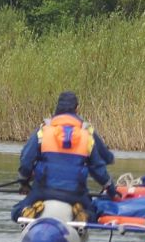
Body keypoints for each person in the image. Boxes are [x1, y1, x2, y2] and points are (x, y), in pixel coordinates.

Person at [10, 91, 114, 223]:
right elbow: (97, 169)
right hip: (75, 195)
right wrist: (110, 187)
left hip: (43, 192)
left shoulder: (42, 132)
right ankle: (83, 214)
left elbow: (26, 161)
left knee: (15, 211)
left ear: (57, 108)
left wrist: (24, 182)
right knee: (94, 213)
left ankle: (26, 211)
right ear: (77, 109)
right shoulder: (86, 135)